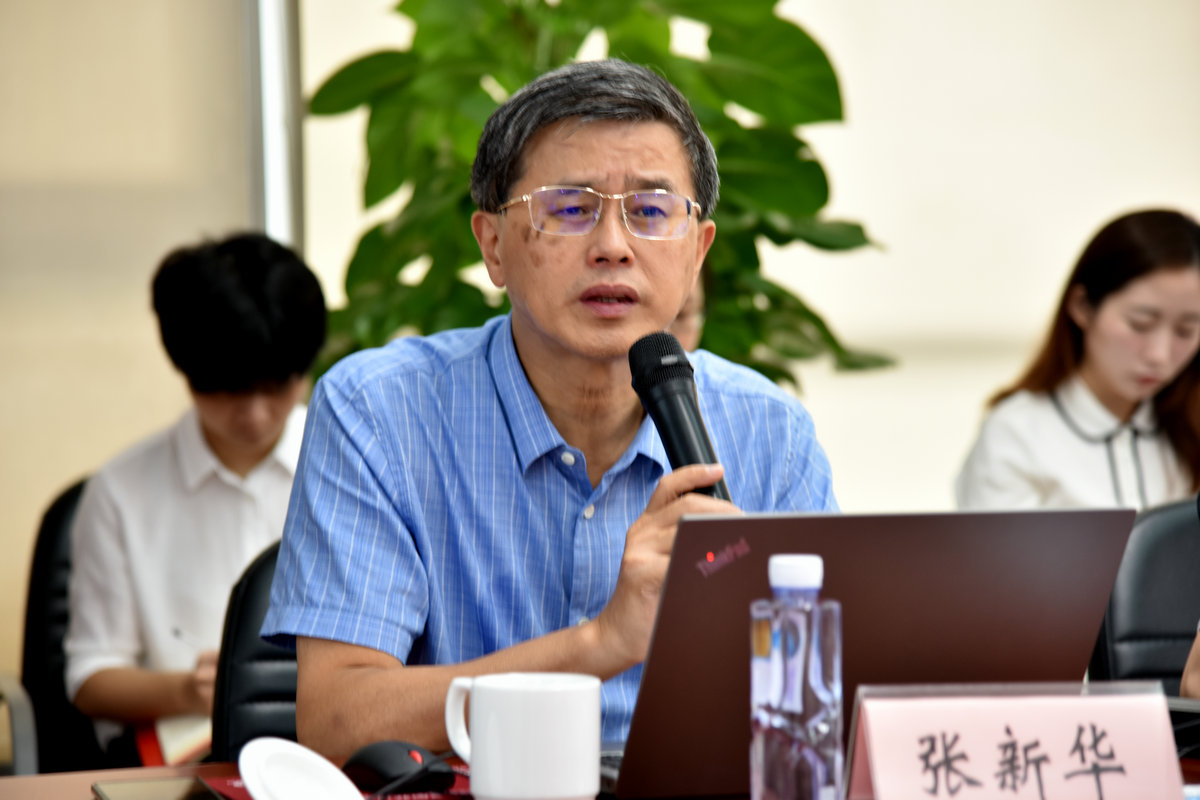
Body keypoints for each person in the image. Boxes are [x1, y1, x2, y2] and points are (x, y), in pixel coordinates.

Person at [261, 58, 837, 761]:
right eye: (569, 208)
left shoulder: (770, 432)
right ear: (493, 246)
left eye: (650, 212)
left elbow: (823, 710)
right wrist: (600, 643)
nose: (613, 247)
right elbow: (337, 721)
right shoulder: (381, 412)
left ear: (696, 252)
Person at [64, 232, 327, 759]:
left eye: (277, 386)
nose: (255, 414)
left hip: (326, 746)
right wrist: (188, 690)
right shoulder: (121, 492)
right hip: (186, 755)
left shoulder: (354, 467)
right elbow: (90, 678)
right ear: (185, 369)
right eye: (229, 390)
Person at [955, 209, 1200, 510]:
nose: (1159, 355)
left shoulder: (1188, 425)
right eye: (1140, 324)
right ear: (1082, 306)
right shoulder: (1018, 434)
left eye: (1186, 330)